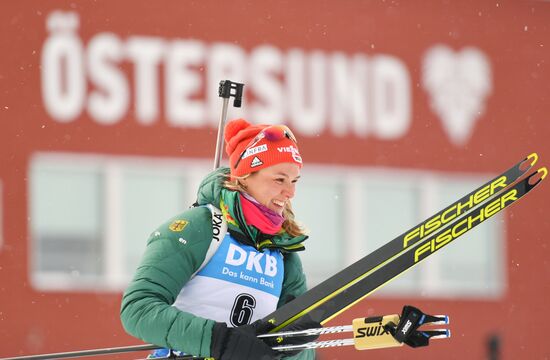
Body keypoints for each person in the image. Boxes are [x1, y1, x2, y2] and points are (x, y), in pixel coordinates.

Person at [120, 118, 318, 359]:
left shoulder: (283, 251)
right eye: (279, 179)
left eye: (294, 181)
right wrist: (219, 341)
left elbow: (303, 355)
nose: (290, 192)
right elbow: (139, 309)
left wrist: (293, 349)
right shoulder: (199, 227)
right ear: (244, 176)